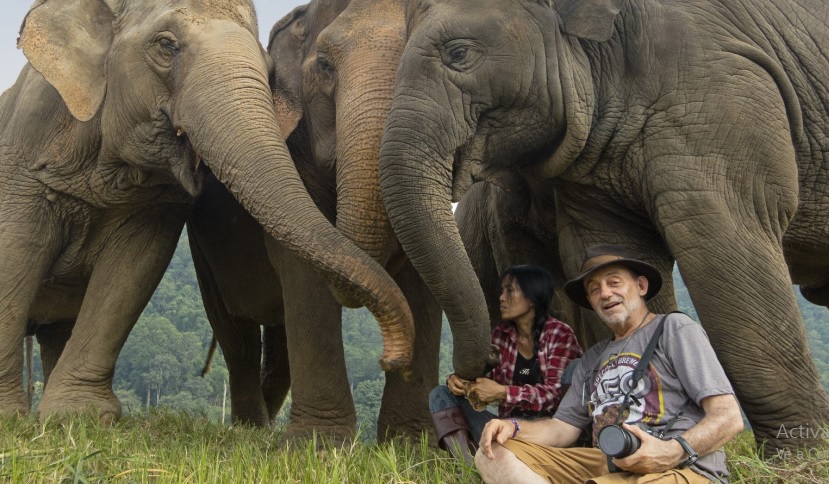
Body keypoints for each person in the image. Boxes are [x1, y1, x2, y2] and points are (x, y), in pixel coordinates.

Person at [475, 244, 744, 483]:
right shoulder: (592, 358)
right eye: (594, 289)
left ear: (640, 287)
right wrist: (513, 426)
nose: (605, 293)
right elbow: (562, 429)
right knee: (493, 454)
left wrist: (673, 450)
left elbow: (729, 417)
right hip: (608, 463)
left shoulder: (674, 329)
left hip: (676, 467)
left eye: (614, 283)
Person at [429, 265, 583, 464]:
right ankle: (470, 466)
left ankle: (570, 457)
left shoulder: (559, 335)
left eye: (510, 291)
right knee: (439, 395)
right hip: (505, 431)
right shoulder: (500, 336)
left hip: (550, 435)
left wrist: (504, 393)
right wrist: (459, 383)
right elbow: (485, 382)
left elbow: (555, 394)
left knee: (577, 366)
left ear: (532, 297)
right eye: (501, 291)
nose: (502, 298)